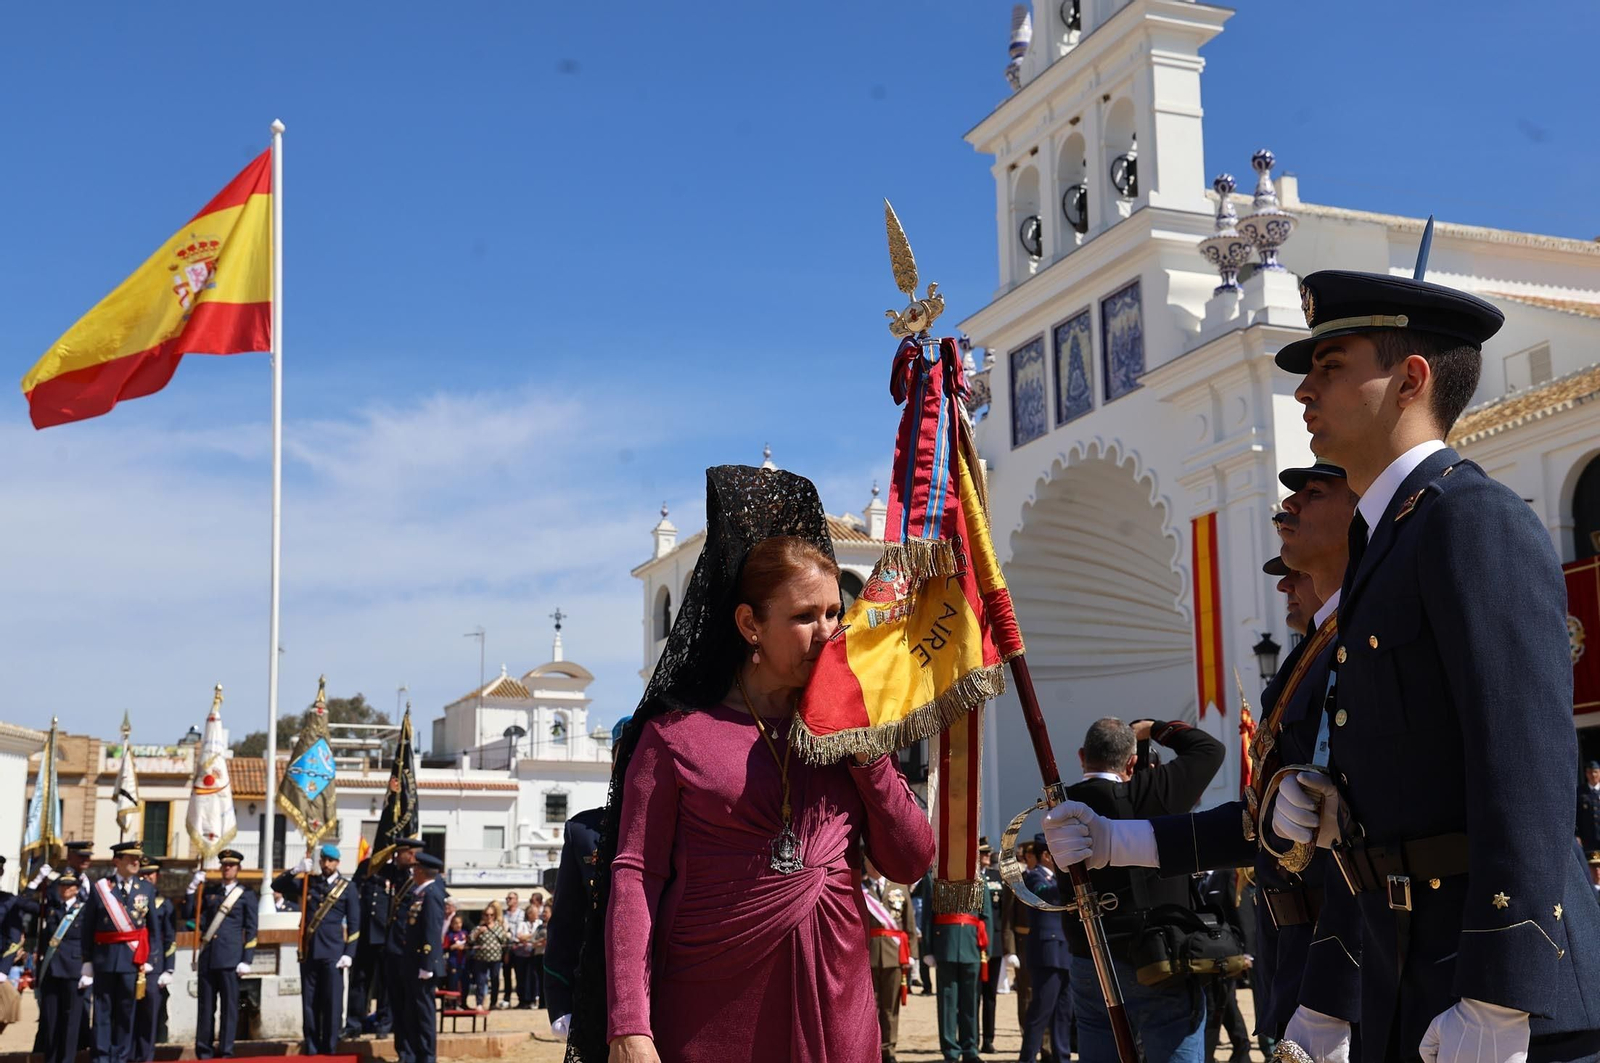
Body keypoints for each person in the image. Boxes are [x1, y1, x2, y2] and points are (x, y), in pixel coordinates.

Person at [1268, 269, 1600, 1062]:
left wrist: (1497, 996)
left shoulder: (1469, 518)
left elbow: (1524, 766)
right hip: (1414, 979)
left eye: (1331, 365)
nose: (1304, 392)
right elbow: (1400, 795)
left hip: (1504, 1001)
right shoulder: (1388, 543)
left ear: (1410, 378)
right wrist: (1318, 789)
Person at [576, 465, 936, 1063]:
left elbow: (910, 861)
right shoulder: (674, 739)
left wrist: (869, 757)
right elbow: (636, 877)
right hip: (712, 1014)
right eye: (803, 617)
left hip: (840, 1007)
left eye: (832, 613)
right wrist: (629, 1024)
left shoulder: (851, 733)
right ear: (750, 625)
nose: (826, 633)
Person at [1046, 469, 1364, 1053]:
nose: (1283, 587)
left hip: (1348, 942)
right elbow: (1245, 813)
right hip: (1299, 944)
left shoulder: (1351, 647)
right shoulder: (1301, 670)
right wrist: (1120, 837)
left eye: (1294, 575)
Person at [1053, 718, 1225, 1063]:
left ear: (1082, 756)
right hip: (1160, 953)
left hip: (1092, 954)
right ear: (1132, 763)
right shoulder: (1156, 789)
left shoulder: (1062, 804)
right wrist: (1154, 728)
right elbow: (1210, 749)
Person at [543, 715, 628, 1036]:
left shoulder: (680, 826)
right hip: (600, 988)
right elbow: (565, 922)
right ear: (612, 767)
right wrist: (559, 1003)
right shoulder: (583, 832)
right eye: (623, 756)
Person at [272, 844, 357, 1055]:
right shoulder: (309, 882)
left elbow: (355, 925)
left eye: (330, 861)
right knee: (309, 1002)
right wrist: (296, 869)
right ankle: (311, 1045)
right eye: (324, 860)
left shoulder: (347, 888)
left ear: (337, 863)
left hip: (334, 953)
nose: (326, 864)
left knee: (332, 1001)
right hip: (309, 951)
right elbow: (277, 885)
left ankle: (330, 1046)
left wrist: (349, 953)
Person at [81, 842, 160, 1063]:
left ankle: (121, 1057)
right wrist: (86, 960)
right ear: (117, 861)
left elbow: (153, 928)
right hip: (104, 959)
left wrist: (151, 957)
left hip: (132, 960)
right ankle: (101, 1057)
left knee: (126, 1013)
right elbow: (88, 927)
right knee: (102, 1013)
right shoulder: (101, 888)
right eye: (130, 858)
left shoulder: (146, 889)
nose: (136, 862)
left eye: (138, 858)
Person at [186, 848, 256, 1060]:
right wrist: (192, 889)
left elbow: (252, 928)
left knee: (229, 1008)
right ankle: (204, 1050)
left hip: (230, 959)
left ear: (238, 868)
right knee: (206, 1008)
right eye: (224, 865)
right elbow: (191, 914)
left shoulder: (246, 895)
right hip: (208, 956)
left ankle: (226, 1050)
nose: (227, 869)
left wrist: (247, 959)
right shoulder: (209, 891)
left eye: (231, 865)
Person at [928, 856, 993, 1063]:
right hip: (945, 945)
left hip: (972, 946)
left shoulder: (979, 882)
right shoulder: (935, 880)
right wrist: (927, 949)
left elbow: (987, 917)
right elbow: (927, 917)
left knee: (971, 1002)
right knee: (947, 1001)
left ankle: (970, 1048)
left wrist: (986, 950)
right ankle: (950, 1049)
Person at [1018, 837, 1073, 1063]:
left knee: (1064, 1012)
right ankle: (1027, 1058)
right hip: (1047, 952)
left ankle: (1062, 1057)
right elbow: (1046, 892)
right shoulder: (1033, 877)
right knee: (1041, 1011)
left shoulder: (1056, 879)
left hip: (1065, 951)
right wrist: (1069, 879)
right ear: (1046, 856)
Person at [862, 856, 918, 1063]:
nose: (873, 866)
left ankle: (889, 1050)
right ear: (866, 864)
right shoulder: (859, 888)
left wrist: (912, 955)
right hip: (867, 956)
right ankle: (870, 1048)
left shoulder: (900, 889)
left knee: (890, 1007)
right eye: (870, 862)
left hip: (894, 956)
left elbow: (909, 923)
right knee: (870, 1006)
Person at [1196, 870, 1251, 1063]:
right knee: (1226, 1005)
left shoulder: (1226, 874)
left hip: (1226, 952)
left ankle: (1236, 1051)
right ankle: (1241, 1051)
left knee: (1217, 1006)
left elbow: (1239, 912)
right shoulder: (1201, 879)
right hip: (1207, 954)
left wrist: (1246, 952)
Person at [35, 869, 87, 1063]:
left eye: (70, 885)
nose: (65, 889)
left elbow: (88, 942)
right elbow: (43, 943)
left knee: (71, 1021)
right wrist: (36, 881)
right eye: (62, 885)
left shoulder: (84, 911)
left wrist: (88, 968)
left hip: (74, 970)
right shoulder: (50, 909)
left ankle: (67, 1060)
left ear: (77, 889)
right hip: (50, 970)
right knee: (50, 1020)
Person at [401, 852, 448, 1063]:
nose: (413, 871)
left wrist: (427, 963)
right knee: (413, 1011)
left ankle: (428, 1056)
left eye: (415, 868)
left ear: (420, 871)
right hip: (414, 961)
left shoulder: (431, 894)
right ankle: (417, 1054)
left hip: (424, 963)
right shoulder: (420, 893)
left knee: (425, 1013)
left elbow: (432, 930)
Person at [382, 838, 425, 1062]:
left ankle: (413, 1051)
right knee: (398, 1004)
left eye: (401, 853)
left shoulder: (420, 882)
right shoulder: (394, 877)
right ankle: (403, 1052)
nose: (396, 857)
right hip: (393, 951)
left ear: (411, 855)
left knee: (411, 1005)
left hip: (410, 952)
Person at [343, 853, 394, 1038]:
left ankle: (383, 1024)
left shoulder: (394, 868)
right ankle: (354, 1023)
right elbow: (354, 893)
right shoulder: (366, 865)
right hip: (365, 933)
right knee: (360, 981)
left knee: (384, 983)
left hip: (385, 934)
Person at [132, 858, 176, 1061]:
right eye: (144, 874)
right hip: (131, 962)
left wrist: (169, 969)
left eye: (151, 874)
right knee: (127, 1014)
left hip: (153, 965)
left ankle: (145, 1057)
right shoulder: (129, 900)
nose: (148, 877)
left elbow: (169, 938)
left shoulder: (164, 904)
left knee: (149, 1017)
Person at [978, 838, 1004, 1056]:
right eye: (982, 853)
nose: (987, 856)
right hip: (973, 943)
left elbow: (1003, 913)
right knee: (971, 997)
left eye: (988, 853)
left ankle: (988, 1039)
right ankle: (969, 1038)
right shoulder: (968, 877)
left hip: (993, 944)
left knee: (990, 996)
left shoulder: (997, 878)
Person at [466, 901, 509, 1010]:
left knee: (495, 981)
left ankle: (493, 1003)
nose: (489, 917)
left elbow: (505, 941)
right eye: (486, 915)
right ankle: (479, 1003)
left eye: (491, 915)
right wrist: (478, 933)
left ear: (494, 916)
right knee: (480, 981)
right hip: (481, 959)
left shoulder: (499, 928)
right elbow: (470, 940)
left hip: (495, 959)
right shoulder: (478, 928)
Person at [501, 893, 528, 1009]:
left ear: (516, 900)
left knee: (520, 974)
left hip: (519, 947)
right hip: (507, 946)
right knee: (506, 974)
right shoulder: (503, 914)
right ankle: (507, 998)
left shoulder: (522, 914)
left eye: (510, 898)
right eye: (507, 898)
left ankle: (521, 999)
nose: (508, 900)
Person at [1578, 761, 1600, 862]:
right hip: (1588, 839)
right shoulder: (1580, 792)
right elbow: (1577, 816)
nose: (1593, 775)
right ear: (1586, 774)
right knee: (1593, 870)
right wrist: (1577, 835)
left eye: (1595, 772)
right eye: (1590, 772)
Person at [444, 914, 469, 996]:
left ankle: (463, 1002)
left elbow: (470, 945)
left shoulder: (465, 934)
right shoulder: (449, 935)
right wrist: (453, 947)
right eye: (455, 923)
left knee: (464, 982)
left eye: (459, 923)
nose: (458, 925)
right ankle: (452, 1003)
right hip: (453, 962)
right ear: (452, 924)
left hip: (464, 962)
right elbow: (444, 948)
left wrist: (465, 947)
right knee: (453, 983)